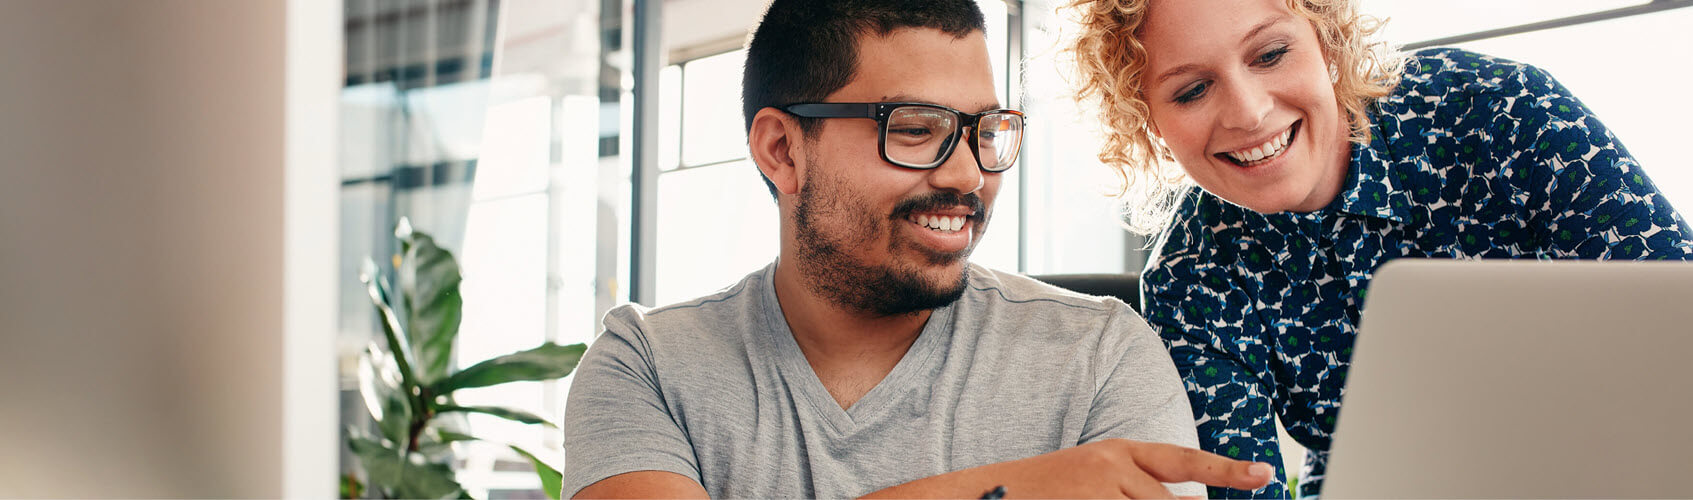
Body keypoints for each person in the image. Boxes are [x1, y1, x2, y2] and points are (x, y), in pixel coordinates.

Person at [561, 0, 1277, 498]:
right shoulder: (647, 365)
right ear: (781, 149)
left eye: (986, 130)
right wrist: (1008, 490)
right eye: (912, 128)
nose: (967, 174)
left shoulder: (1102, 354)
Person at [1065, 0, 1693, 497]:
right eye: (1191, 91)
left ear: (1327, 41)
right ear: (1146, 120)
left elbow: (1676, 318)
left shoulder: (1504, 112)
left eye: (1271, 53)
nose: (1249, 113)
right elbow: (1242, 488)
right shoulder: (1188, 276)